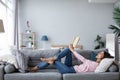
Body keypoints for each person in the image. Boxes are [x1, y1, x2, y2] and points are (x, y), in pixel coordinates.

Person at [28, 44, 114, 74]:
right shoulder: (94, 63)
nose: (98, 53)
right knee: (67, 50)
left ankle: (34, 68)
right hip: (70, 67)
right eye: (100, 52)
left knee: (53, 61)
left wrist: (73, 50)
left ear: (103, 57)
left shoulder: (95, 65)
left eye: (100, 53)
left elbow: (82, 59)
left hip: (69, 70)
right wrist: (71, 49)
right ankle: (51, 59)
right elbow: (83, 60)